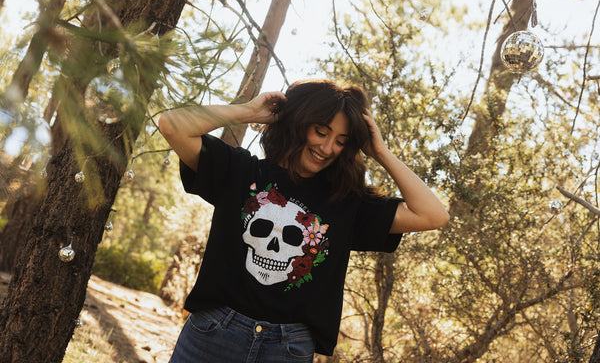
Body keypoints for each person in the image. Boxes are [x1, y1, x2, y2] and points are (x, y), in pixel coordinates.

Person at [158, 79, 449, 362]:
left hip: (287, 350)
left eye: (341, 141)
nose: (327, 148)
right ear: (299, 123)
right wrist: (249, 111)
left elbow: (433, 215)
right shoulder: (240, 171)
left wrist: (380, 152)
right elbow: (171, 124)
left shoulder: (346, 203)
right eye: (321, 132)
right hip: (214, 335)